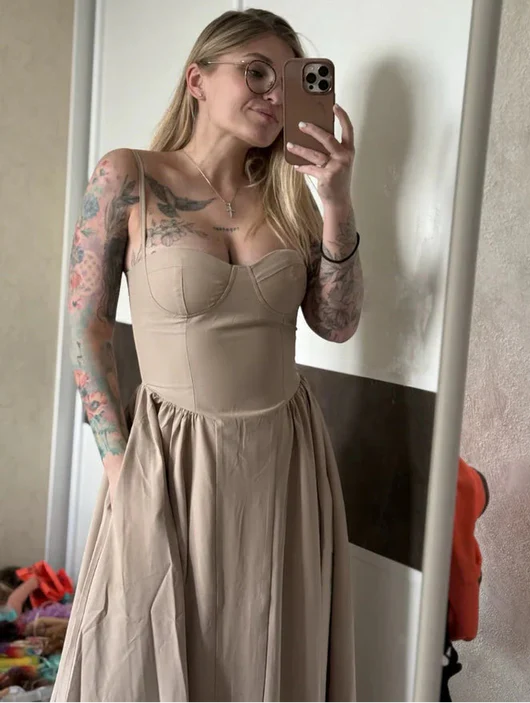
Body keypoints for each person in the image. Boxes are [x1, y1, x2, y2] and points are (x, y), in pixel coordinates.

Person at [52, 8, 363, 703]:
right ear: (197, 79)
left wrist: (337, 205)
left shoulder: (290, 196)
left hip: (284, 462)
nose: (275, 94)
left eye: (287, 79)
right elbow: (86, 331)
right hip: (169, 459)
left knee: (267, 652)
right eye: (256, 73)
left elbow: (336, 324)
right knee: (148, 649)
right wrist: (121, 467)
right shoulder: (129, 176)